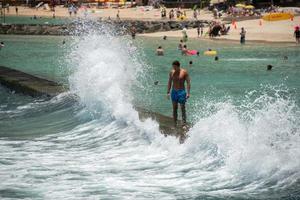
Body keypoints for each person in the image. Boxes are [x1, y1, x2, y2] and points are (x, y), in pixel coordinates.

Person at [167, 60, 191, 127]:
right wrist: (168, 92)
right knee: (174, 108)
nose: (174, 69)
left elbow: (188, 83)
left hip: (181, 92)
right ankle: (175, 123)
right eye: (173, 67)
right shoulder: (172, 72)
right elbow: (169, 82)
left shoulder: (184, 72)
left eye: (175, 67)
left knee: (182, 108)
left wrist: (188, 93)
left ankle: (184, 123)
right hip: (174, 92)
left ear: (178, 66)